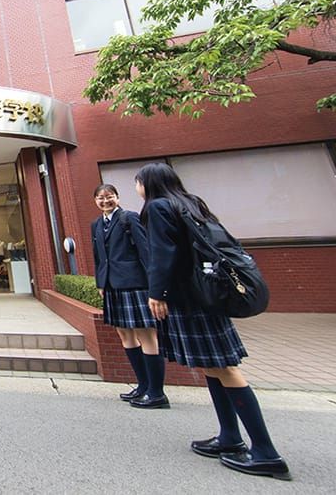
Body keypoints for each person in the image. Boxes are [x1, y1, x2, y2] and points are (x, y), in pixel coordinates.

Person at [135, 163, 291, 480]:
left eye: (137, 182)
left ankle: (265, 452)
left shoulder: (157, 207)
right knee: (213, 367)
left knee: (224, 368)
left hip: (191, 298)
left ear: (148, 183)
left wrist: (157, 293)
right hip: (208, 293)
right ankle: (229, 436)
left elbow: (163, 253)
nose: (137, 187)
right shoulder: (191, 202)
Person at [90, 184, 167, 408]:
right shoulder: (96, 224)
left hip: (135, 283)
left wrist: (155, 286)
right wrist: (100, 282)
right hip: (111, 284)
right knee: (125, 334)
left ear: (117, 197)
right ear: (95, 201)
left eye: (109, 197)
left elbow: (145, 251)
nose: (105, 201)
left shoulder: (129, 218)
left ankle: (156, 392)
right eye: (100, 198)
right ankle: (142, 385)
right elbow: (98, 256)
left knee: (146, 335)